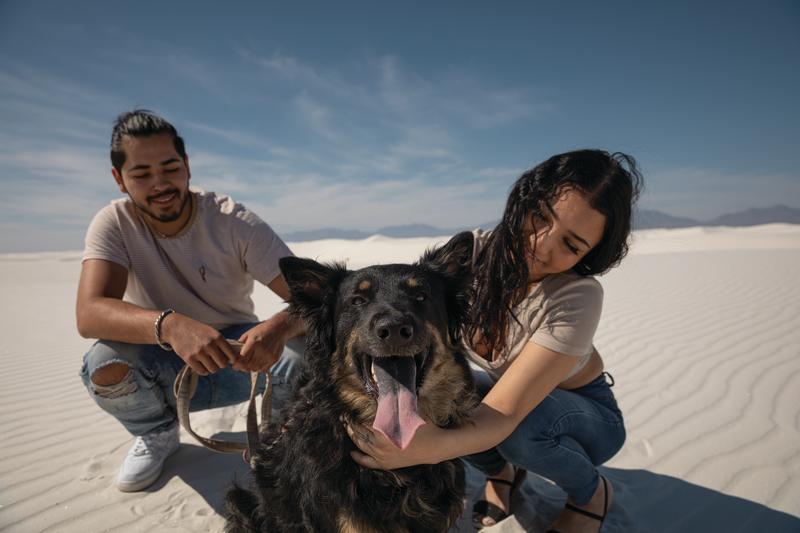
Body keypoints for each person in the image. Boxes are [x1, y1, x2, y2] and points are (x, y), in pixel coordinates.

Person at [346, 149, 642, 532]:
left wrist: (425, 448)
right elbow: (396, 292)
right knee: (444, 394)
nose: (542, 244)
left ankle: (590, 492)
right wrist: (286, 324)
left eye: (571, 245)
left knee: (518, 432)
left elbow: (505, 413)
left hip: (587, 417)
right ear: (525, 200)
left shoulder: (578, 296)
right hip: (510, 400)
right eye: (540, 217)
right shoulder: (473, 254)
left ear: (591, 253)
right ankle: (502, 474)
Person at [76, 110, 305, 492]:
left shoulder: (233, 220)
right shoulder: (114, 223)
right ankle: (157, 432)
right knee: (103, 364)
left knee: (309, 346)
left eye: (170, 168)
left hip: (243, 362)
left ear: (187, 166)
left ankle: (278, 431)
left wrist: (276, 329)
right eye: (142, 174)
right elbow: (89, 313)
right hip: (167, 367)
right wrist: (170, 326)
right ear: (119, 179)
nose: (160, 184)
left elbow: (315, 297)